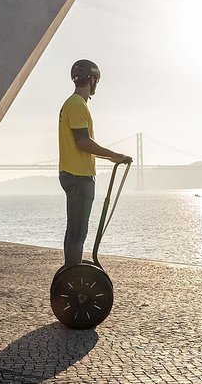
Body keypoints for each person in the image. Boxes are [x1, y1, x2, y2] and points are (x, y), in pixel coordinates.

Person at [58, 59, 132, 266]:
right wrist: (114, 156)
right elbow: (82, 141)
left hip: (72, 174)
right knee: (78, 232)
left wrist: (112, 157)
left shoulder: (72, 104)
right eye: (96, 80)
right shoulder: (77, 105)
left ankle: (71, 269)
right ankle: (72, 275)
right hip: (78, 176)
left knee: (74, 230)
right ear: (92, 80)